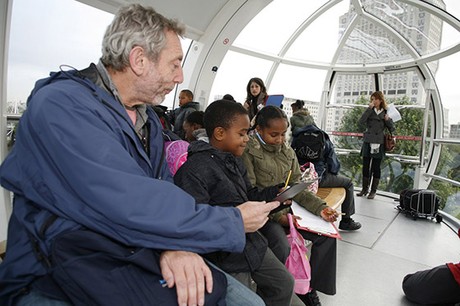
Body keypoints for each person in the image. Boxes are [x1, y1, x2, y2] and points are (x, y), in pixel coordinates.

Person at [0, 4, 280, 306]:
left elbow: (160, 192)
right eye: (174, 64)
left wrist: (175, 245)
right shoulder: (61, 108)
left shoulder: (146, 123)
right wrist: (232, 221)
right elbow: (127, 200)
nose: (180, 77)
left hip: (126, 249)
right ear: (139, 60)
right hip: (53, 270)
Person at [174, 100, 304, 306]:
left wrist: (276, 193)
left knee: (284, 283)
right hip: (226, 255)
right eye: (242, 134)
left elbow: (249, 194)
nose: (246, 140)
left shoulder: (233, 161)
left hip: (252, 244)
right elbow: (196, 221)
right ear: (219, 133)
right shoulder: (193, 171)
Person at [242, 106, 340, 306]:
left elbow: (298, 188)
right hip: (266, 213)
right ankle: (272, 292)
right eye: (274, 134)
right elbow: (248, 194)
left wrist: (321, 208)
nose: (279, 139)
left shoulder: (288, 153)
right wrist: (280, 217)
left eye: (283, 134)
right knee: (281, 244)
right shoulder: (248, 152)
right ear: (259, 130)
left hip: (290, 209)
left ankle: (308, 288)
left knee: (326, 237)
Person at [291, 124, 362, 231]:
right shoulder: (324, 139)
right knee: (348, 183)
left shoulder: (296, 138)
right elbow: (334, 167)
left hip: (299, 178)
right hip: (318, 178)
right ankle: (346, 220)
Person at [357, 91, 395, 199]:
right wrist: (369, 109)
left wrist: (388, 120)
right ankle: (364, 189)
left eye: (376, 99)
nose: (374, 101)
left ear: (380, 100)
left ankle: (373, 191)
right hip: (368, 141)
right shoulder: (370, 110)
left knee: (376, 167)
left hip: (379, 142)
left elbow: (392, 128)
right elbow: (361, 121)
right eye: (372, 99)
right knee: (365, 166)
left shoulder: (386, 111)